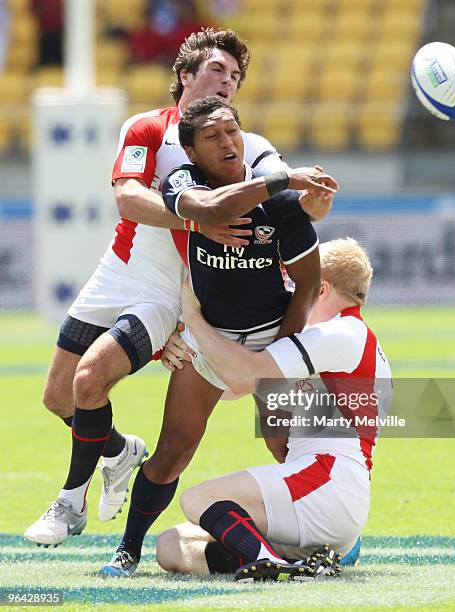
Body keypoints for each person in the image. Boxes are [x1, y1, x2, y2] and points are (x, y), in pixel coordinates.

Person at [25, 29, 332, 549]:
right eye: (217, 69)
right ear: (185, 75)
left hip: (173, 287)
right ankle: (120, 452)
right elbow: (127, 198)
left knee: (93, 380)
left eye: (235, 76)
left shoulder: (241, 141)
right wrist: (194, 221)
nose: (228, 81)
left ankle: (70, 502)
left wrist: (309, 203)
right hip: (120, 266)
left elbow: (273, 185)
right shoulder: (148, 128)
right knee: (58, 395)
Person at [99, 95, 338, 577]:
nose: (228, 141)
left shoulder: (284, 207)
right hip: (209, 343)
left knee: (288, 445)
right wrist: (286, 179)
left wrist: (281, 354)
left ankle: (315, 542)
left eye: (233, 131)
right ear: (190, 152)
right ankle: (128, 549)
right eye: (212, 136)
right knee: (174, 450)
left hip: (273, 337)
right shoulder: (184, 184)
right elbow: (208, 209)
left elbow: (308, 284)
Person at [156, 238, 392, 580]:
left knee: (197, 499)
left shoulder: (339, 333)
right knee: (172, 544)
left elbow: (244, 374)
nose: (291, 292)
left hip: (325, 480)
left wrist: (193, 319)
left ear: (321, 288)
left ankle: (270, 561)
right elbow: (230, 387)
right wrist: (184, 353)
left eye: (299, 282)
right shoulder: (342, 336)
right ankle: (303, 561)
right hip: (325, 495)